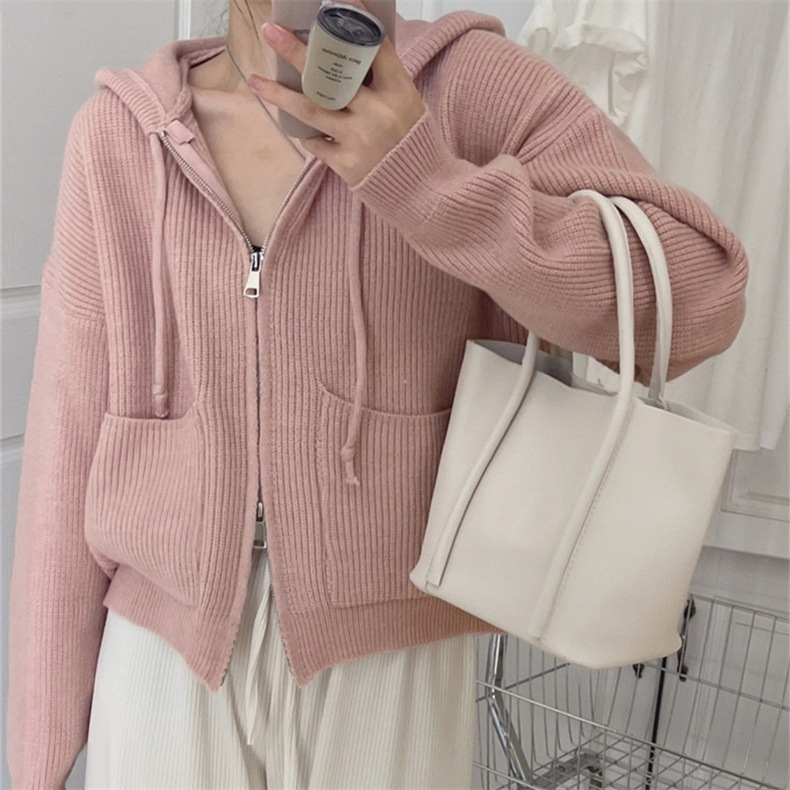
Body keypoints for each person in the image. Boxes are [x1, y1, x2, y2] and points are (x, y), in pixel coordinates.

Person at [6, 0, 748, 787]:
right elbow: (66, 433)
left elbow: (704, 302)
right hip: (162, 648)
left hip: (393, 651)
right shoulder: (121, 134)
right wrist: (40, 749)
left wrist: (429, 186)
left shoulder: (469, 87)